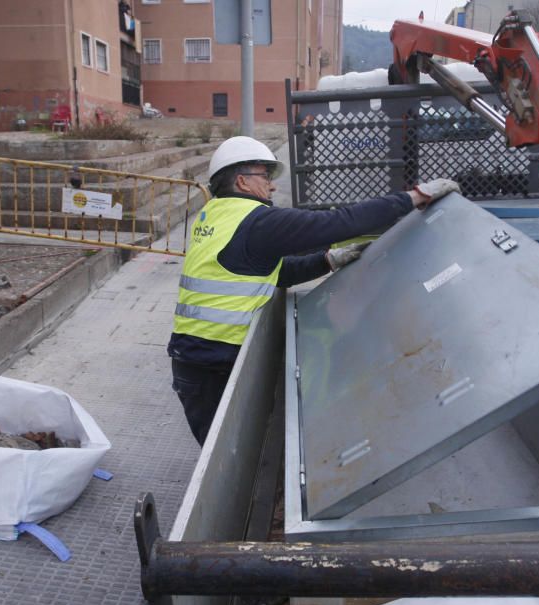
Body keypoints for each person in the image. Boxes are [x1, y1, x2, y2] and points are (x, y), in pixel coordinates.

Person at [168, 136, 460, 445]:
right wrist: (413, 197)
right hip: (210, 365)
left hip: (200, 359)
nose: (271, 186)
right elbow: (339, 222)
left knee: (225, 447)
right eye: (265, 177)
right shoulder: (256, 222)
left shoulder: (215, 215)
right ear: (242, 181)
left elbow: (269, 272)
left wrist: (327, 260)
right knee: (222, 455)